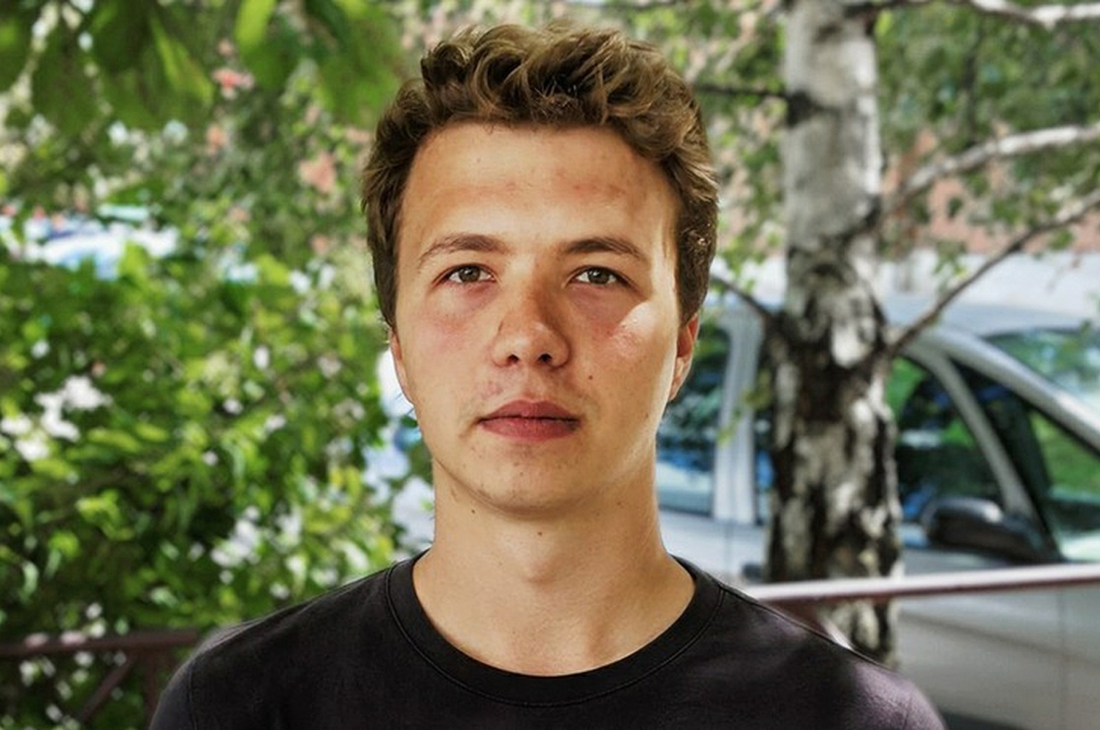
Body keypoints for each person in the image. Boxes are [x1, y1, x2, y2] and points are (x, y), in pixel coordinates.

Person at [150, 21, 945, 729]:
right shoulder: (239, 707)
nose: (529, 337)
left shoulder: (855, 721)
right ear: (399, 344)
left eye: (597, 274)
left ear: (682, 346)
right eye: (467, 272)